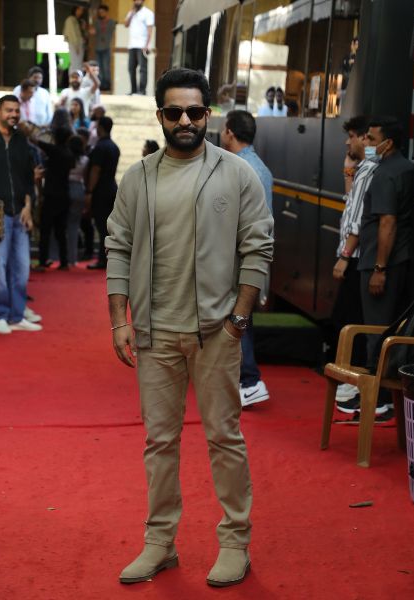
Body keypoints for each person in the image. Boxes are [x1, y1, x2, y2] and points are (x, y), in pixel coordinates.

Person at [107, 68, 273, 588]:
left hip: (216, 333)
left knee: (224, 438)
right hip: (154, 333)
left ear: (208, 115)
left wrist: (238, 319)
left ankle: (235, 542)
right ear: (160, 115)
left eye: (195, 111)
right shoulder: (138, 178)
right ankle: (160, 543)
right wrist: (118, 320)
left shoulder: (236, 174)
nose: (185, 120)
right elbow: (117, 246)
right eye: (175, 111)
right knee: (159, 442)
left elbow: (259, 247)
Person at [358, 116, 414, 413]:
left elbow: (387, 222)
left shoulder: (385, 174)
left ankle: (376, 402)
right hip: (400, 261)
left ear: (388, 143)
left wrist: (379, 269)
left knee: (376, 332)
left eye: (371, 138)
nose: (366, 143)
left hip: (380, 264)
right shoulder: (406, 168)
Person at [219, 110, 274, 408]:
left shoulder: (240, 168)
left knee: (238, 316)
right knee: (241, 316)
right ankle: (245, 379)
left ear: (230, 132)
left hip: (241, 255)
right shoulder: (259, 166)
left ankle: (249, 380)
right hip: (251, 254)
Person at [0, 95, 42, 334]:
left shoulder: (20, 140)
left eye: (16, 110)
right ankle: (0, 315)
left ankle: (17, 314)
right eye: (9, 110)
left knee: (22, 268)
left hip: (20, 212)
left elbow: (27, 177)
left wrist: (28, 205)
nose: (13, 114)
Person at [330, 115, 381, 414]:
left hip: (357, 257)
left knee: (349, 320)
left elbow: (359, 221)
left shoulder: (371, 170)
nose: (348, 142)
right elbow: (352, 203)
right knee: (346, 318)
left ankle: (353, 381)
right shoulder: (361, 170)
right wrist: (348, 171)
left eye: (352, 136)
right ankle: (350, 379)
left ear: (364, 138)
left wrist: (344, 256)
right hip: (355, 256)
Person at [26, 110, 75, 271]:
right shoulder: (69, 154)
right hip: (64, 193)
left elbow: (36, 141)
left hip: (51, 193)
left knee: (45, 229)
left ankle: (42, 260)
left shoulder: (53, 150)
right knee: (61, 230)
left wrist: (29, 130)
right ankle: (64, 261)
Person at [85, 116, 120, 270]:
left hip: (100, 190)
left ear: (100, 128)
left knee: (101, 226)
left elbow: (95, 170)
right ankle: (107, 257)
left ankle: (102, 259)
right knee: (108, 226)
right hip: (112, 187)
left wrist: (89, 191)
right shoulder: (114, 147)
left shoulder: (100, 147)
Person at [66, 135, 89, 266]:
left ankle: (62, 256)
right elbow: (85, 178)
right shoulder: (85, 160)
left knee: (63, 225)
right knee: (74, 225)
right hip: (79, 189)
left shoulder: (66, 157)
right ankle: (73, 258)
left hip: (66, 188)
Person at [125, 0, 154, 95]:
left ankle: (142, 91)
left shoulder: (148, 13)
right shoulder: (131, 12)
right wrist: (131, 13)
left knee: (142, 69)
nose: (137, 1)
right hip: (132, 45)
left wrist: (147, 45)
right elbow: (126, 24)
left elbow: (150, 31)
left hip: (142, 45)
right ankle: (133, 90)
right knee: (131, 68)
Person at [91, 4, 116, 91]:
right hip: (98, 47)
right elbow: (92, 32)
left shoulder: (112, 22)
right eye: (99, 12)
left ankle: (107, 85)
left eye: (102, 12)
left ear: (106, 12)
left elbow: (116, 33)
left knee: (106, 67)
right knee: (99, 67)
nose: (101, 14)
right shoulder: (97, 22)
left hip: (107, 47)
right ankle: (100, 84)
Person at [63, 5, 86, 75]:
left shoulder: (78, 20)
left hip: (79, 44)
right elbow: (72, 34)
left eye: (82, 10)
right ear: (75, 9)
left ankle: (78, 79)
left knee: (78, 63)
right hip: (74, 44)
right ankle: (74, 79)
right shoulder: (70, 20)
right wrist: (76, 46)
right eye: (79, 9)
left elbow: (82, 33)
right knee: (75, 63)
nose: (81, 12)